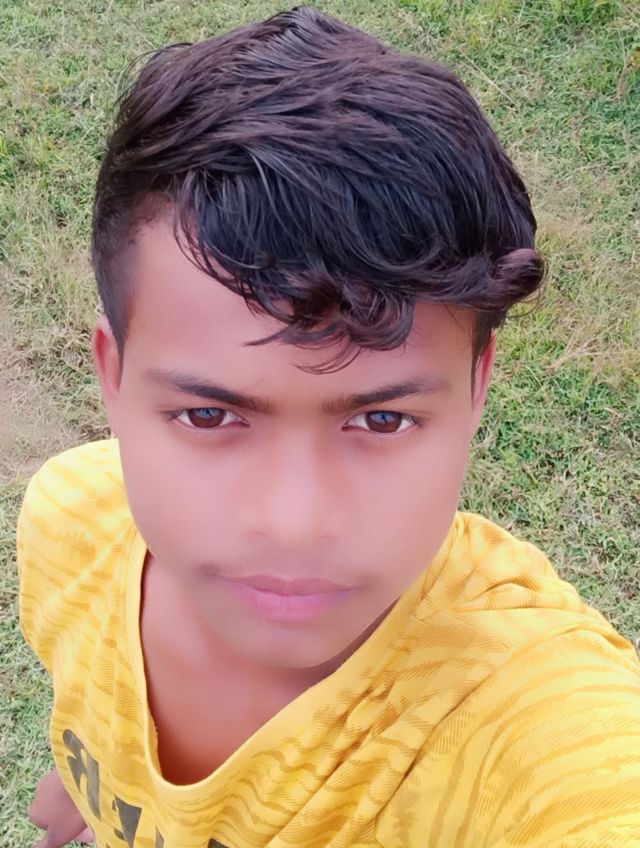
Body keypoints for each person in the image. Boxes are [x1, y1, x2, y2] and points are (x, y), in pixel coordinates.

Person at [17, 6, 640, 848]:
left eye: (382, 418)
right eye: (209, 414)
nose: (293, 522)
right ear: (114, 378)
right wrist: (86, 779)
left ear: (477, 386)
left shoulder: (536, 729)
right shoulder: (70, 525)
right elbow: (88, 689)